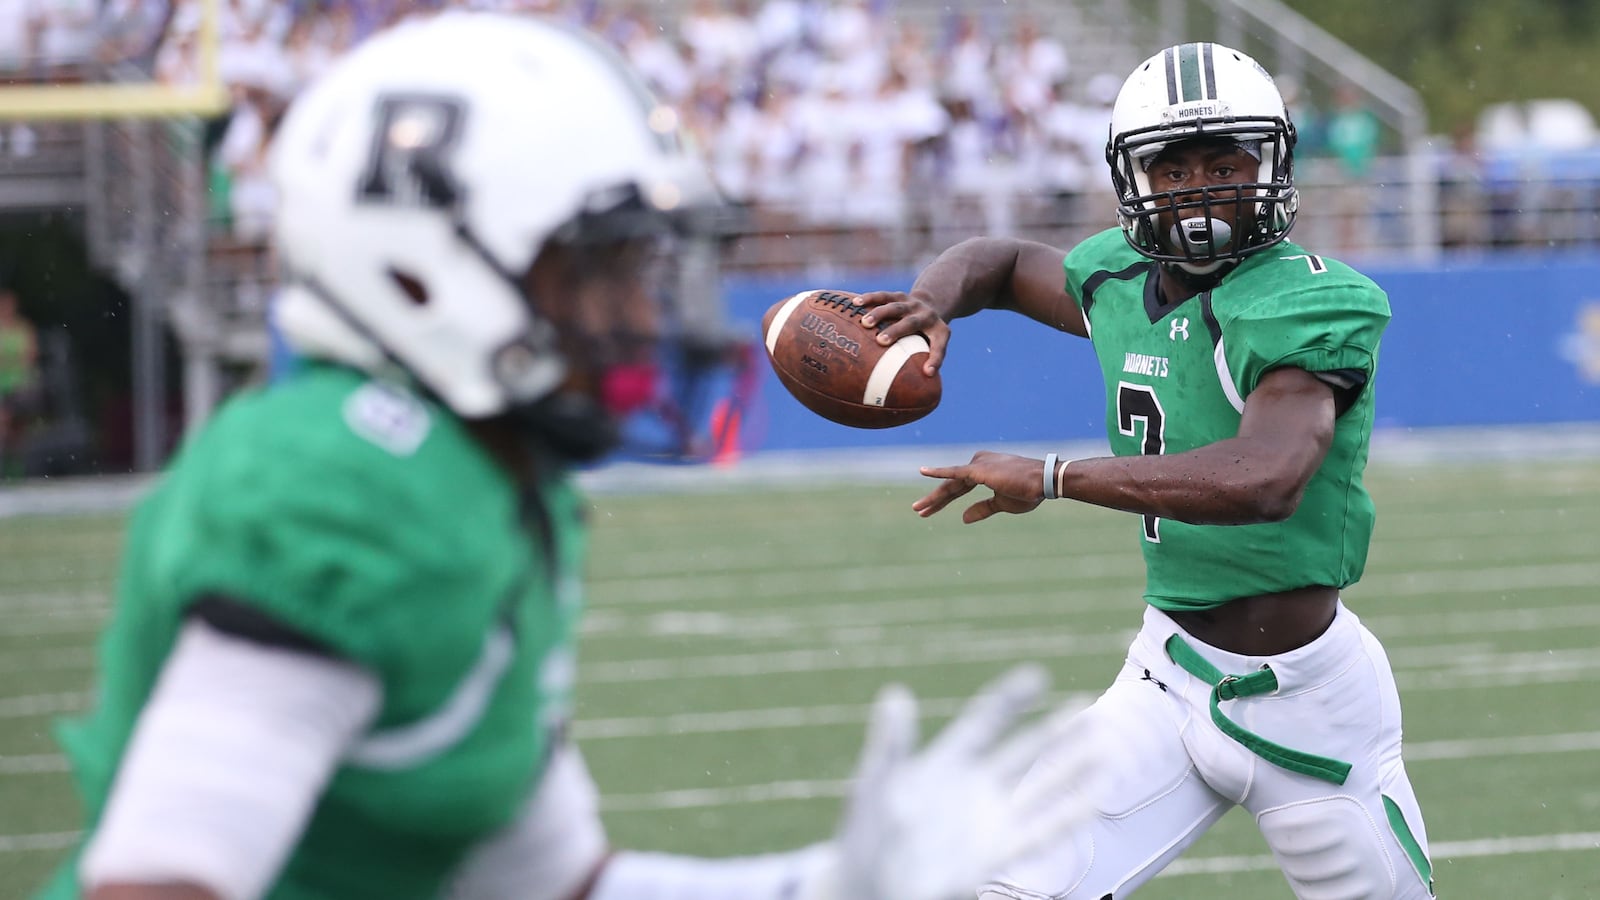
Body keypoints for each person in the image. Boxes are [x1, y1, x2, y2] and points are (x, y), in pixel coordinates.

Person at [36, 13, 1101, 900]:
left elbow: (555, 882)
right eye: (599, 271)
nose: (642, 313)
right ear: (421, 269)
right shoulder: (343, 487)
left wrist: (823, 886)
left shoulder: (485, 480)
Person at [857, 42, 1435, 900]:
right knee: (1007, 888)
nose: (1200, 186)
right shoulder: (1121, 279)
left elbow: (1266, 475)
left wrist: (1054, 477)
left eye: (1225, 161)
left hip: (1310, 704)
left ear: (1271, 162)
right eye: (1174, 166)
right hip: (1167, 680)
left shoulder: (1306, 298)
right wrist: (931, 300)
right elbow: (1002, 260)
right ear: (1135, 179)